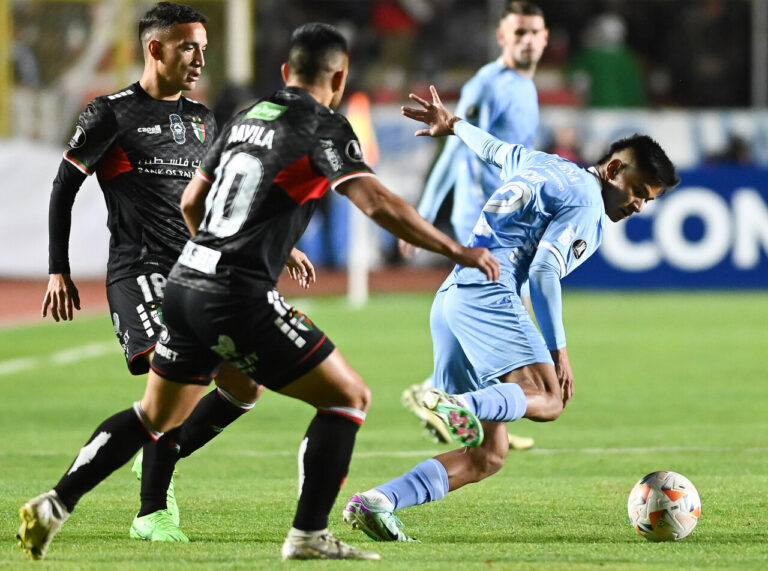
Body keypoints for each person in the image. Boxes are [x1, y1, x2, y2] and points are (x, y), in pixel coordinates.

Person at [17, 23, 500, 561]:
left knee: (157, 414)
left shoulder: (244, 118)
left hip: (186, 280)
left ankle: (55, 504)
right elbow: (378, 202)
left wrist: (221, 246)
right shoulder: (323, 125)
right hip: (235, 292)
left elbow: (193, 202)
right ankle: (307, 533)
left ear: (286, 72)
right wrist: (458, 252)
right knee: (348, 398)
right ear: (338, 77)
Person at [343, 85, 679, 542]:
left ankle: (378, 501)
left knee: (487, 455)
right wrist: (559, 350)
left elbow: (495, 149)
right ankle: (459, 405)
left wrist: (455, 124)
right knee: (550, 396)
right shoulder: (587, 203)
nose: (638, 204)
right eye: (637, 191)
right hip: (488, 293)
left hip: (451, 300)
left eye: (648, 200)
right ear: (614, 168)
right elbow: (543, 271)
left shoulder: (544, 163)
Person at [37, 2, 284, 543]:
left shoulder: (202, 119)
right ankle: (152, 512)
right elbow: (64, 187)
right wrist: (58, 269)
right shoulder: (109, 112)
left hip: (197, 273)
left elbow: (218, 198)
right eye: (188, 47)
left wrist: (270, 244)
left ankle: (156, 450)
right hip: (140, 269)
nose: (199, 58)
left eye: (203, 48)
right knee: (177, 382)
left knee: (246, 386)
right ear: (156, 49)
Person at [400, 1, 549, 451]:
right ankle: (444, 395)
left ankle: (462, 402)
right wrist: (423, 213)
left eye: (534, 32)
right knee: (500, 310)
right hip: (480, 217)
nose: (526, 40)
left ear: (545, 38)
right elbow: (453, 147)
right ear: (502, 36)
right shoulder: (488, 84)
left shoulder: (528, 88)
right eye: (518, 32)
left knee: (494, 313)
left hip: (508, 219)